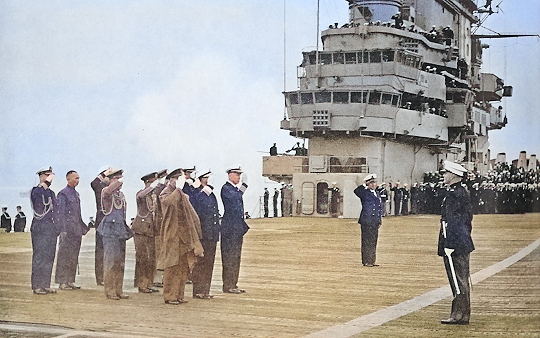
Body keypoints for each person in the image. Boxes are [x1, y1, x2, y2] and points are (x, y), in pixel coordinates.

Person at [159, 168, 204, 305]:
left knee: (183, 266)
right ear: (172, 180)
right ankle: (170, 296)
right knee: (172, 266)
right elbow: (168, 204)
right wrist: (178, 190)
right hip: (172, 235)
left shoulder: (182, 193)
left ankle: (179, 294)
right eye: (178, 179)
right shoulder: (165, 193)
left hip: (183, 235)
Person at [438, 161, 474, 325]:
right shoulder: (461, 192)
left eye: (445, 173)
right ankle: (463, 313)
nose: (444, 176)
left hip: (454, 243)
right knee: (462, 278)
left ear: (453, 175)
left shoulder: (454, 194)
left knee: (457, 279)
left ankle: (458, 314)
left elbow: (453, 222)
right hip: (462, 241)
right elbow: (467, 219)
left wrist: (449, 244)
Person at [98, 168, 132, 300]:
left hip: (120, 230)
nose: (119, 181)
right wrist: (113, 182)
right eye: (116, 178)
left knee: (120, 262)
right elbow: (107, 191)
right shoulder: (106, 192)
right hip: (110, 230)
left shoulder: (121, 195)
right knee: (110, 261)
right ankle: (110, 290)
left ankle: (118, 289)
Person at [55, 170, 89, 290]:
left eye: (78, 178)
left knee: (74, 256)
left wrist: (82, 227)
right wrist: (62, 230)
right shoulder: (63, 194)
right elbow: (61, 213)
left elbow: (77, 214)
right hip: (67, 230)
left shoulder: (76, 194)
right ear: (68, 179)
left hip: (76, 230)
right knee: (64, 256)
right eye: (75, 178)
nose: (77, 181)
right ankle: (62, 282)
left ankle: (70, 280)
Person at [220, 166, 250, 293]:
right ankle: (228, 285)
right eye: (237, 174)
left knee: (236, 257)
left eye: (239, 175)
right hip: (229, 229)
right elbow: (234, 199)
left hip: (236, 229)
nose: (239, 177)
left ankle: (233, 283)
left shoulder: (233, 189)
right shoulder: (226, 188)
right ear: (230, 175)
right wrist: (244, 186)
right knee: (229, 257)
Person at [30, 166, 59, 295]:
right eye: (48, 175)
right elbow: (39, 209)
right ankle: (37, 285)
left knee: (49, 257)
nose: (50, 178)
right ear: (42, 176)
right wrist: (44, 185)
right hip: (40, 227)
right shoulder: (36, 191)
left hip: (50, 228)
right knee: (40, 257)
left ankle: (45, 284)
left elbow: (56, 211)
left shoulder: (51, 193)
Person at [191, 170, 220, 299]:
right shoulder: (197, 193)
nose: (208, 180)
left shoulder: (210, 194)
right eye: (206, 178)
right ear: (201, 179)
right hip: (203, 234)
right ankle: (198, 291)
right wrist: (204, 192)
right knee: (201, 264)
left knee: (209, 263)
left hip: (211, 233)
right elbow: (197, 208)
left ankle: (205, 290)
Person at [131, 172, 160, 294]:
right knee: (142, 258)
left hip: (150, 230)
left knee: (151, 259)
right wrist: (152, 187)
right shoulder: (141, 194)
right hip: (141, 229)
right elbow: (142, 195)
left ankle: (149, 283)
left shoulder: (153, 197)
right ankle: (141, 284)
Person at [354, 173, 383, 267]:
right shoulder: (365, 193)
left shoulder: (377, 193)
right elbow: (356, 191)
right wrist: (364, 185)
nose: (373, 185)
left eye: (374, 183)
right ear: (368, 184)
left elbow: (379, 208)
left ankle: (372, 260)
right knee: (367, 241)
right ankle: (366, 261)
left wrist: (379, 220)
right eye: (371, 183)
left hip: (374, 220)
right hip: (367, 220)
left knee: (373, 241)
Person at [91, 166, 110, 286]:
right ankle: (100, 277)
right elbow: (94, 182)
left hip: (111, 223)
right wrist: (103, 174)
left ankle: (107, 276)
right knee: (101, 251)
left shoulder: (111, 189)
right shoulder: (101, 188)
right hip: (102, 222)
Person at [152, 169, 168, 288]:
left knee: (163, 252)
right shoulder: (157, 191)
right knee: (158, 252)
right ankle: (157, 278)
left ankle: (162, 277)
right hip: (158, 226)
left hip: (164, 226)